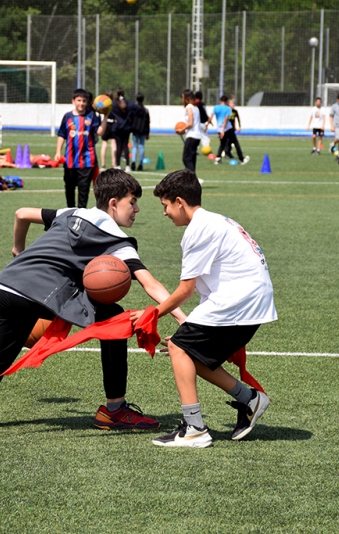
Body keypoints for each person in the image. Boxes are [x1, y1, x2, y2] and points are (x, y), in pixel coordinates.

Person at [0, 169, 187, 429]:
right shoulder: (116, 239)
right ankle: (115, 409)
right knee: (115, 317)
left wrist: (18, 249)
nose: (136, 209)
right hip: (37, 296)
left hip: (6, 285)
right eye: (132, 202)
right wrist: (182, 317)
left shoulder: (71, 213)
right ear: (113, 203)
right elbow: (151, 284)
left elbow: (22, 213)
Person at [140, 169, 277, 448]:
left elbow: (185, 290)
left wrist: (151, 315)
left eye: (165, 206)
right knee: (189, 354)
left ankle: (195, 429)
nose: (164, 213)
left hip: (241, 300)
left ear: (179, 201)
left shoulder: (199, 229)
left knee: (180, 349)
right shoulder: (215, 221)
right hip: (249, 298)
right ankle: (249, 399)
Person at [54, 88, 107, 208]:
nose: (81, 103)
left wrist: (106, 116)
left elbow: (99, 132)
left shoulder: (91, 116)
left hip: (87, 160)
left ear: (87, 102)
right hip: (70, 160)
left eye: (84, 101)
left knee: (84, 190)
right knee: (69, 188)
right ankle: (70, 211)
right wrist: (58, 152)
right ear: (73, 101)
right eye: (79, 100)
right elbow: (62, 135)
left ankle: (81, 214)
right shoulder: (67, 117)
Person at [176, 90, 202, 172]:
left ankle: (192, 178)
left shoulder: (189, 107)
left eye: (183, 98)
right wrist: (184, 130)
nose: (182, 100)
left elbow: (190, 123)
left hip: (192, 136)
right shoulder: (196, 108)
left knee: (186, 159)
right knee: (192, 159)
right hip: (197, 136)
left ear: (187, 98)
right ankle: (193, 179)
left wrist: (181, 130)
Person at [221, 97, 250, 165]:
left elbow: (236, 119)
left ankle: (226, 154)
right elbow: (225, 120)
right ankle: (227, 154)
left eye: (234, 103)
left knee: (231, 142)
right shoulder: (227, 111)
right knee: (229, 142)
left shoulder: (235, 112)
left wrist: (238, 127)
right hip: (227, 129)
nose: (233, 105)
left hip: (231, 129)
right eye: (232, 103)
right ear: (228, 104)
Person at [111, 88, 132, 172]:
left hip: (117, 127)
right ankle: (127, 165)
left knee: (118, 146)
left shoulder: (114, 103)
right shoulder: (127, 102)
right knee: (125, 146)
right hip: (126, 127)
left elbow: (110, 113)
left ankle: (118, 165)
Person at [208, 95, 233, 164]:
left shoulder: (216, 108)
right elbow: (226, 119)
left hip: (219, 127)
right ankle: (225, 154)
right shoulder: (228, 108)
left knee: (222, 143)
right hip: (226, 127)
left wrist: (207, 125)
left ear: (220, 101)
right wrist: (223, 130)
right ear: (226, 101)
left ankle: (219, 157)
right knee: (228, 142)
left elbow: (210, 117)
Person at [130, 93, 150, 171]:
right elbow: (148, 122)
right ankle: (141, 164)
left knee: (135, 146)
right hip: (143, 130)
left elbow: (131, 119)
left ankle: (133, 161)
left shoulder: (134, 109)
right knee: (141, 146)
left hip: (135, 129)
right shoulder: (145, 110)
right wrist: (148, 132)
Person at [99, 90, 116, 170]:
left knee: (104, 143)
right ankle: (114, 164)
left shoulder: (103, 105)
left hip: (106, 125)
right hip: (113, 125)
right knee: (113, 144)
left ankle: (103, 164)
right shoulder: (113, 104)